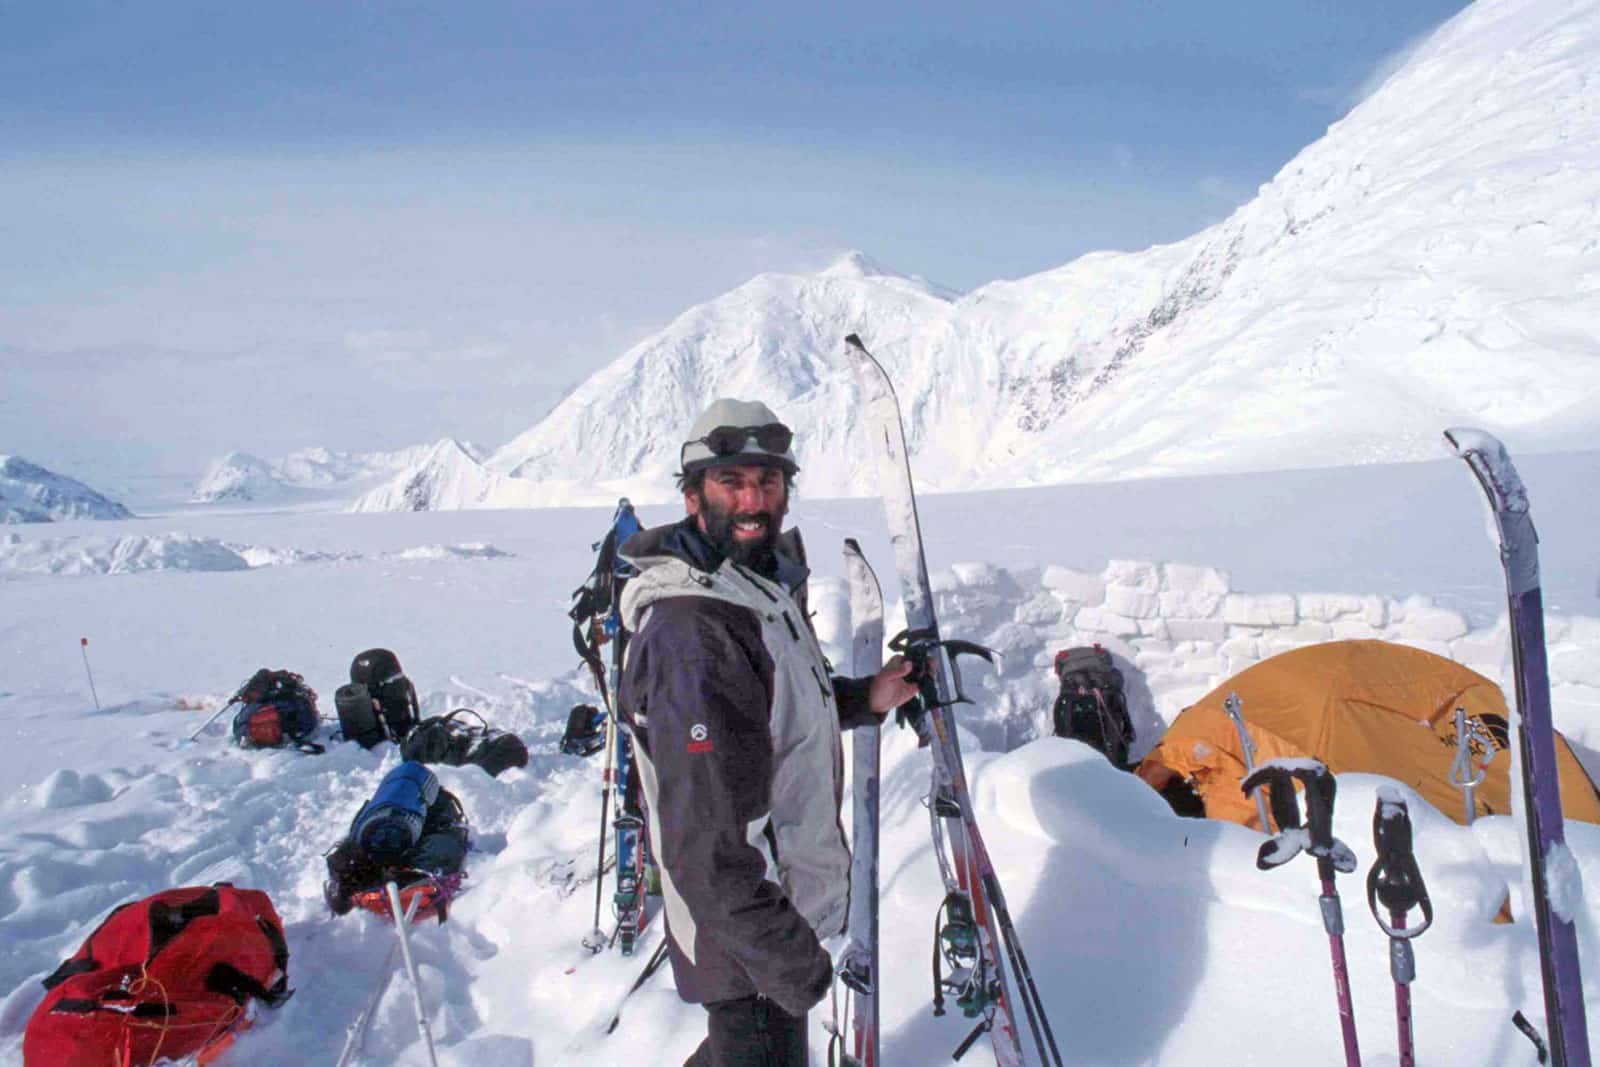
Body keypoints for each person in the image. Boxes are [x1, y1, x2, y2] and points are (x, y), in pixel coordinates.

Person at [617, 398, 917, 1067]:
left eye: (768, 482)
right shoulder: (696, 630)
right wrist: (787, 960)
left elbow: (765, 717)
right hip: (747, 942)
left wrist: (864, 697)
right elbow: (705, 844)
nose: (753, 500)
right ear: (694, 494)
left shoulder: (750, 590)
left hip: (765, 918)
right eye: (733, 482)